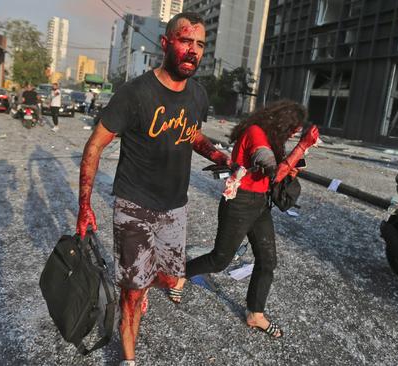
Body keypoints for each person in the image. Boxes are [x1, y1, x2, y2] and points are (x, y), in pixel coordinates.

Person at [76, 13, 230, 366]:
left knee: (172, 278)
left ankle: (141, 284)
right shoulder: (134, 94)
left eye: (200, 44)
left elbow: (190, 132)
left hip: (175, 207)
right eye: (185, 41)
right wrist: (85, 206)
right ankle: (129, 357)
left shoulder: (198, 94)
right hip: (135, 205)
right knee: (131, 295)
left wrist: (217, 154)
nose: (193, 51)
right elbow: (94, 146)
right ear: (165, 43)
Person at [169, 101, 319, 339]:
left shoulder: (271, 136)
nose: (293, 134)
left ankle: (255, 313)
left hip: (260, 204)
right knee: (220, 259)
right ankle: (180, 274)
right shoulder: (256, 133)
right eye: (292, 129)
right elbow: (273, 172)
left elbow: (277, 173)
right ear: (282, 122)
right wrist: (302, 146)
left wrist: (294, 164)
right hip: (240, 203)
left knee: (267, 260)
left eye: (297, 132)